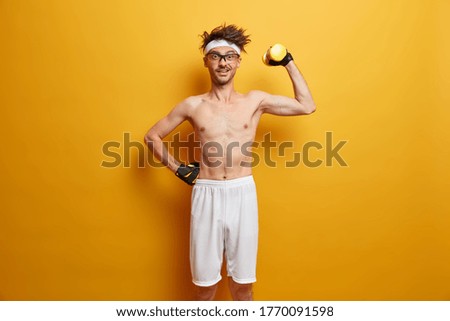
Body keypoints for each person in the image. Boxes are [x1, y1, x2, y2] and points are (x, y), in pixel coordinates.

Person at [144, 24, 316, 301]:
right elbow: (152, 136)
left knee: (243, 286)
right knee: (205, 288)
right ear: (206, 62)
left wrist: (287, 62)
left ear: (237, 62)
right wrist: (178, 169)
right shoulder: (192, 105)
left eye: (228, 57)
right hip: (206, 192)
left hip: (242, 193)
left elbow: (306, 105)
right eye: (216, 56)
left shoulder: (255, 101)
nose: (223, 63)